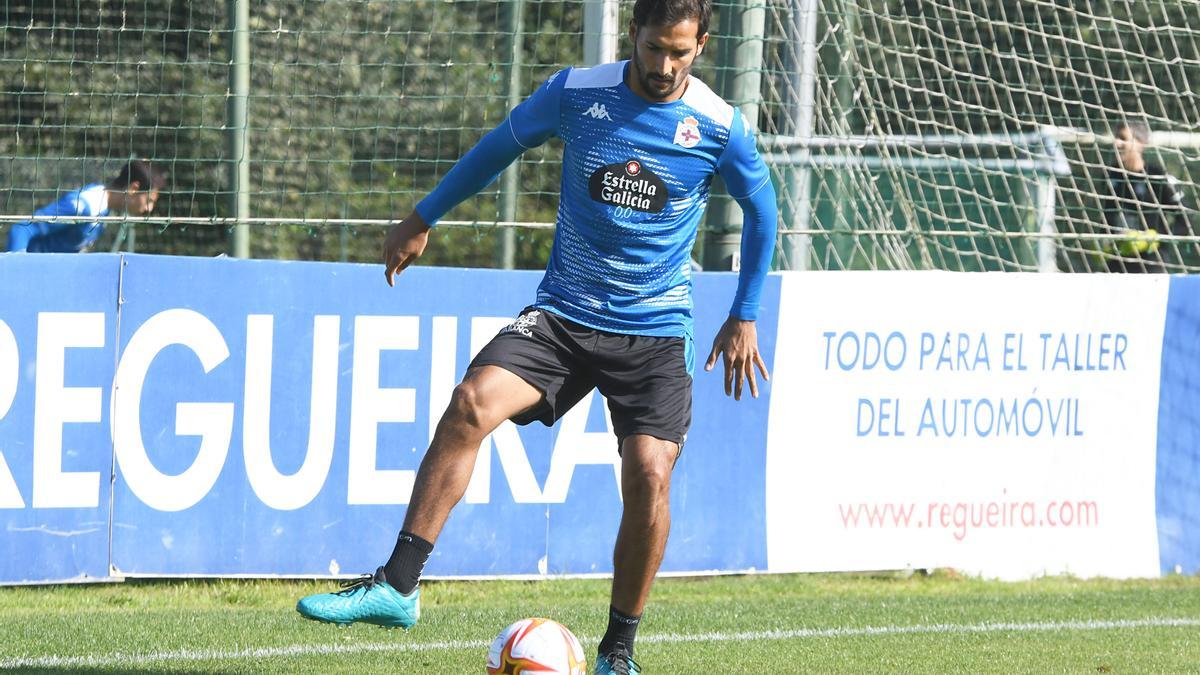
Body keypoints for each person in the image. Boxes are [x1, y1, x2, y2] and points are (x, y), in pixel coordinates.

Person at [297, 1, 776, 672]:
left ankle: (617, 649)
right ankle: (398, 584)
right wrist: (423, 214)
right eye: (653, 48)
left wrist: (745, 311)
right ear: (631, 33)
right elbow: (498, 147)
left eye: (680, 52)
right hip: (564, 315)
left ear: (701, 46)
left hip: (655, 329)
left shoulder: (720, 127)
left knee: (648, 473)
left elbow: (763, 209)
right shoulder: (577, 95)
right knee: (471, 403)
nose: (665, 65)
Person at [6, 159, 164, 253]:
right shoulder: (84, 206)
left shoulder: (103, 211)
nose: (148, 209)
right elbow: (22, 228)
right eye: (149, 201)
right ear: (134, 188)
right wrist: (17, 272)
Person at [1102, 121, 1191, 273]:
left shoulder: (1158, 176)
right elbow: (1106, 215)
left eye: (1123, 138)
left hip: (1151, 264)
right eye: (1116, 138)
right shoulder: (1109, 175)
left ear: (1141, 144)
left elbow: (1185, 218)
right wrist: (1102, 241)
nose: (1117, 143)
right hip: (1116, 262)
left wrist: (1155, 239)